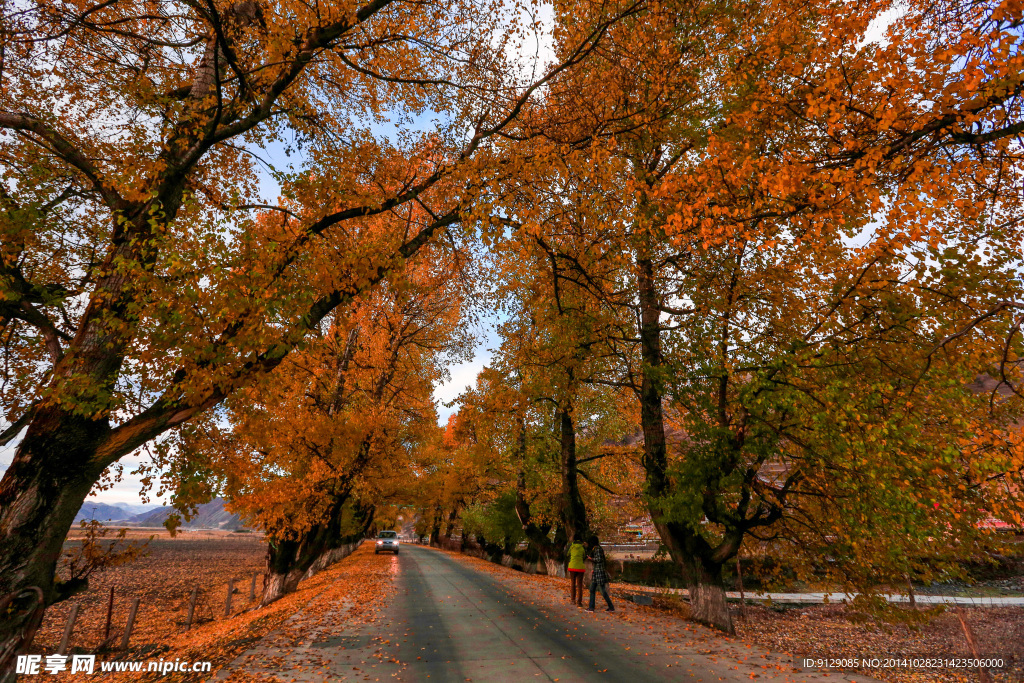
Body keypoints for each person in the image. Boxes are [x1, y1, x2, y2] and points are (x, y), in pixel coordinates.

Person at [585, 534, 614, 612]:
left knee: (602, 590)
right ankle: (591, 607)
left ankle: (610, 606)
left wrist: (591, 559)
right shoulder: (597, 548)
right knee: (592, 589)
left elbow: (599, 559)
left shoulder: (597, 549)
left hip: (599, 572)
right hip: (597, 571)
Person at [567, 538, 586, 607]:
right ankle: (579, 602)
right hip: (580, 567)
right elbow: (584, 556)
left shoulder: (571, 546)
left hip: (572, 567)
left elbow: (567, 554)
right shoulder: (583, 547)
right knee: (580, 585)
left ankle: (572, 600)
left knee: (573, 583)